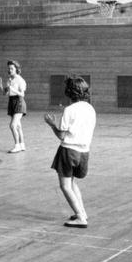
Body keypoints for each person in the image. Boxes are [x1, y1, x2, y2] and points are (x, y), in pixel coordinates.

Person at [43, 75, 95, 227]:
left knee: (65, 185)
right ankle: (82, 211)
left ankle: (80, 217)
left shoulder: (69, 110)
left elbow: (61, 135)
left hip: (69, 151)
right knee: (72, 183)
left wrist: (52, 124)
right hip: (84, 152)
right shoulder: (90, 109)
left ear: (69, 92)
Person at [0, 59, 27, 152]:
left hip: (19, 102)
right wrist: (1, 85)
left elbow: (22, 94)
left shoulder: (20, 80)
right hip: (12, 102)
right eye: (9, 68)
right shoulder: (10, 79)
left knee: (12, 125)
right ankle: (22, 145)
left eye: (12, 68)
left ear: (16, 69)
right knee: (18, 126)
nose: (10, 70)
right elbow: (5, 93)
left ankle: (17, 146)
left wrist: (12, 88)